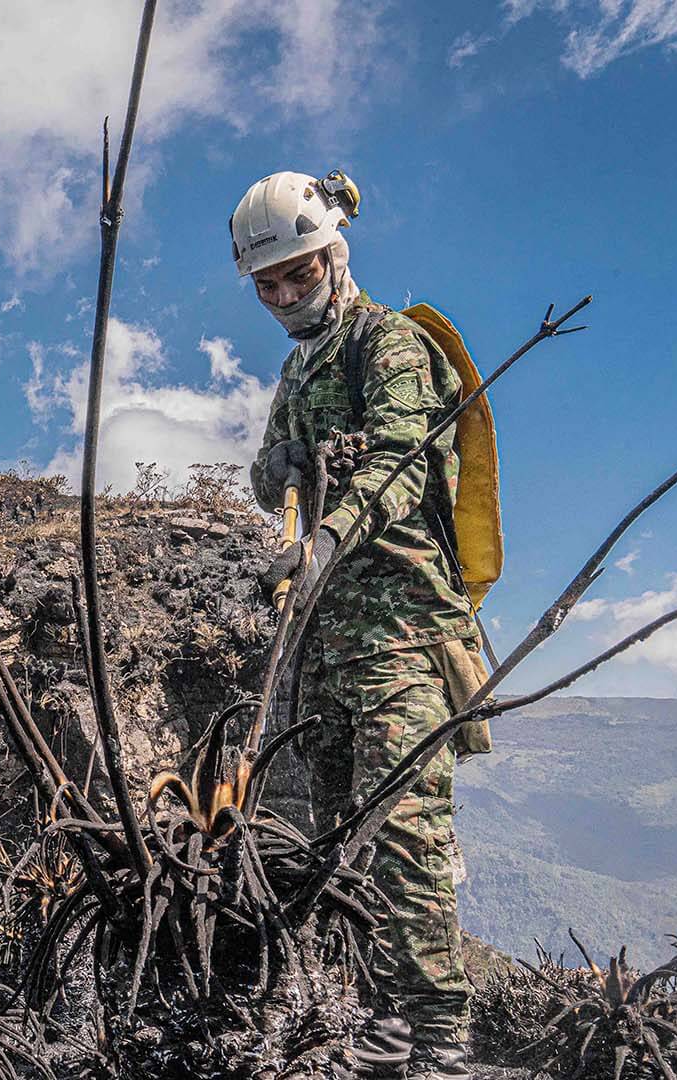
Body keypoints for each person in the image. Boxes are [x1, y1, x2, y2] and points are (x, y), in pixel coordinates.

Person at [238, 171, 479, 1080]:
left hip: (404, 634)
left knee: (408, 829)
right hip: (328, 639)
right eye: (270, 285)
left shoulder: (391, 346)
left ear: (335, 254)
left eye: (299, 274)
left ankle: (443, 1036)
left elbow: (402, 464)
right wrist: (290, 463)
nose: (286, 296)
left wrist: (331, 533)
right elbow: (266, 475)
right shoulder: (300, 369)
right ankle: (381, 1020)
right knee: (344, 837)